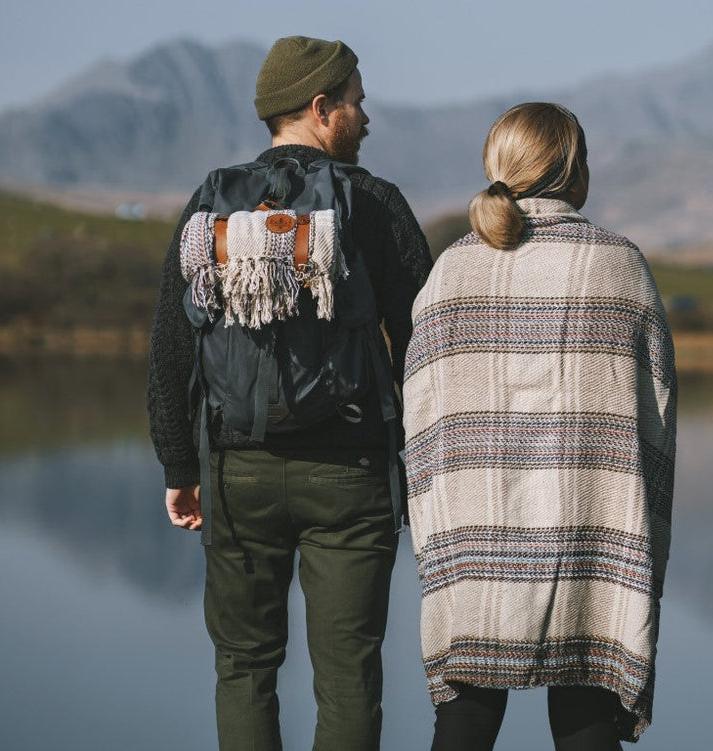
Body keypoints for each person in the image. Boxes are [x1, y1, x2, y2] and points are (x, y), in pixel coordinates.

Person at [146, 36, 432, 751]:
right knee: (349, 674)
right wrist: (427, 466)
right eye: (357, 102)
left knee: (243, 666)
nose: (366, 118)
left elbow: (172, 344)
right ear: (321, 106)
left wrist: (181, 467)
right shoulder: (374, 204)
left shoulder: (212, 203)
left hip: (237, 472)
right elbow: (428, 349)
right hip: (351, 477)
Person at [402, 102, 677, 750]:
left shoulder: (452, 272)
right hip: (590, 533)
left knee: (466, 715)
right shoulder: (620, 266)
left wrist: (440, 527)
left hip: (475, 533)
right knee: (585, 715)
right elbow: (657, 418)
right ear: (573, 171)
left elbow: (420, 421)